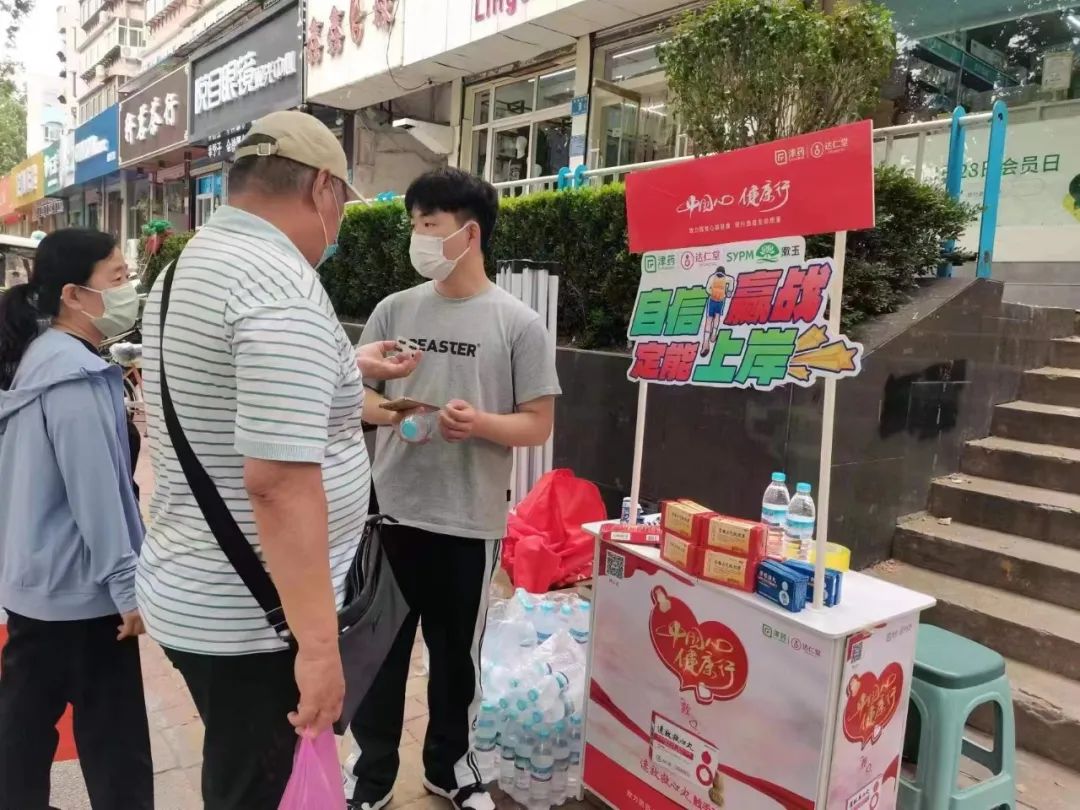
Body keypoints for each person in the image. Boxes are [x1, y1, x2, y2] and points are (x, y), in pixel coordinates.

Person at [136, 111, 417, 809]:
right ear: (322, 188)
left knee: (240, 773)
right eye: (342, 202)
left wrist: (344, 365)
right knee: (257, 790)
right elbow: (279, 486)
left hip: (197, 587)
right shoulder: (278, 287)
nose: (340, 223)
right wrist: (319, 653)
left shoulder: (186, 266)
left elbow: (220, 386)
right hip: (255, 622)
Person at [354, 167, 562, 810]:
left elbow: (537, 423)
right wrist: (397, 413)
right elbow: (356, 398)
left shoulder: (518, 323)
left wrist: (479, 424)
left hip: (469, 521)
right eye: (414, 224)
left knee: (456, 662)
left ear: (469, 234)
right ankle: (371, 777)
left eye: (429, 224)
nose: (417, 237)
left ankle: (450, 769)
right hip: (391, 515)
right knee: (378, 656)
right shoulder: (395, 309)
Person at [0, 228, 153, 809]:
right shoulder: (75, 375)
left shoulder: (36, 356)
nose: (128, 289)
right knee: (116, 747)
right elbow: (97, 494)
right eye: (117, 277)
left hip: (35, 582)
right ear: (73, 294)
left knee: (22, 728)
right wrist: (127, 589)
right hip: (83, 593)